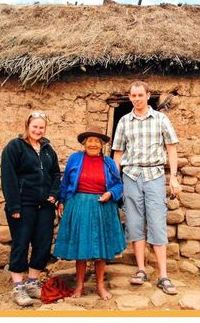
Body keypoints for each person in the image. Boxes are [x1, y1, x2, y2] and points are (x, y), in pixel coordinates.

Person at [112, 81, 182, 295]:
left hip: (155, 175)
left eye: (140, 95)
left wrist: (173, 178)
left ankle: (163, 275)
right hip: (131, 175)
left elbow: (171, 149)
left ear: (148, 95)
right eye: (133, 95)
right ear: (130, 97)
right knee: (134, 223)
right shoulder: (124, 121)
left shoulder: (161, 119)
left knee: (157, 223)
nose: (136, 99)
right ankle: (141, 270)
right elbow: (118, 153)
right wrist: (117, 179)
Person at [53, 125, 126, 300]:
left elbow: (118, 184)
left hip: (103, 207)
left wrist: (110, 193)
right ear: (85, 144)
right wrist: (61, 201)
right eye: (90, 141)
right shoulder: (75, 158)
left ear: (102, 145)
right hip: (80, 206)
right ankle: (79, 285)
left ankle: (100, 285)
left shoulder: (108, 162)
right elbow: (66, 182)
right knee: (81, 248)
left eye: (97, 141)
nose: (93, 144)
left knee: (101, 250)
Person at [1, 111, 61, 307]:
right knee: (20, 244)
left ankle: (32, 283)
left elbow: (55, 174)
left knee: (42, 244)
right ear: (27, 126)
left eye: (41, 127)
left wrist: (54, 193)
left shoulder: (48, 150)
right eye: (34, 126)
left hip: (44, 206)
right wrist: (14, 206)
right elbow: (8, 177)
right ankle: (18, 288)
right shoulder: (15, 147)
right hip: (23, 205)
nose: (38, 130)